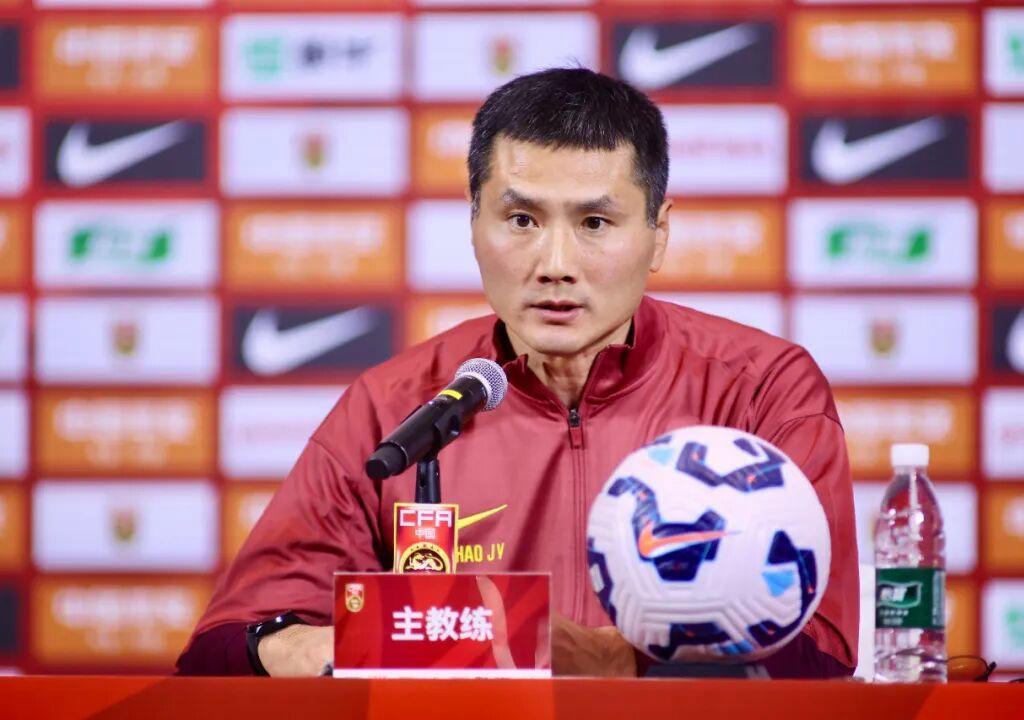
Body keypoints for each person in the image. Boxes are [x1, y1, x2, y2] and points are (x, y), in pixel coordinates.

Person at [176, 68, 858, 678]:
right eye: (522, 218)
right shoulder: (398, 406)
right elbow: (222, 651)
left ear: (659, 233)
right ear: (474, 223)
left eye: (595, 223)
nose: (554, 264)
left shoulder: (760, 388)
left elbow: (821, 654)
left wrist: (618, 664)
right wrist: (322, 647)